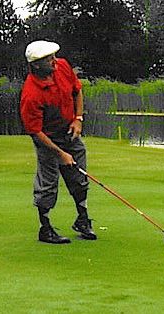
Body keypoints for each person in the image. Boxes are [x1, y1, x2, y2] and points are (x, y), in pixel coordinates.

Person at [19, 40, 96, 244]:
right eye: (48, 59)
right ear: (36, 64)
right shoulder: (31, 94)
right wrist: (60, 154)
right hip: (47, 139)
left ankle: (83, 219)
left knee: (79, 177)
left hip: (69, 131)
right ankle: (45, 228)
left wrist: (78, 119)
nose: (54, 61)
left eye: (53, 56)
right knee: (48, 185)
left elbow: (76, 91)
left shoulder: (62, 66)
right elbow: (35, 132)